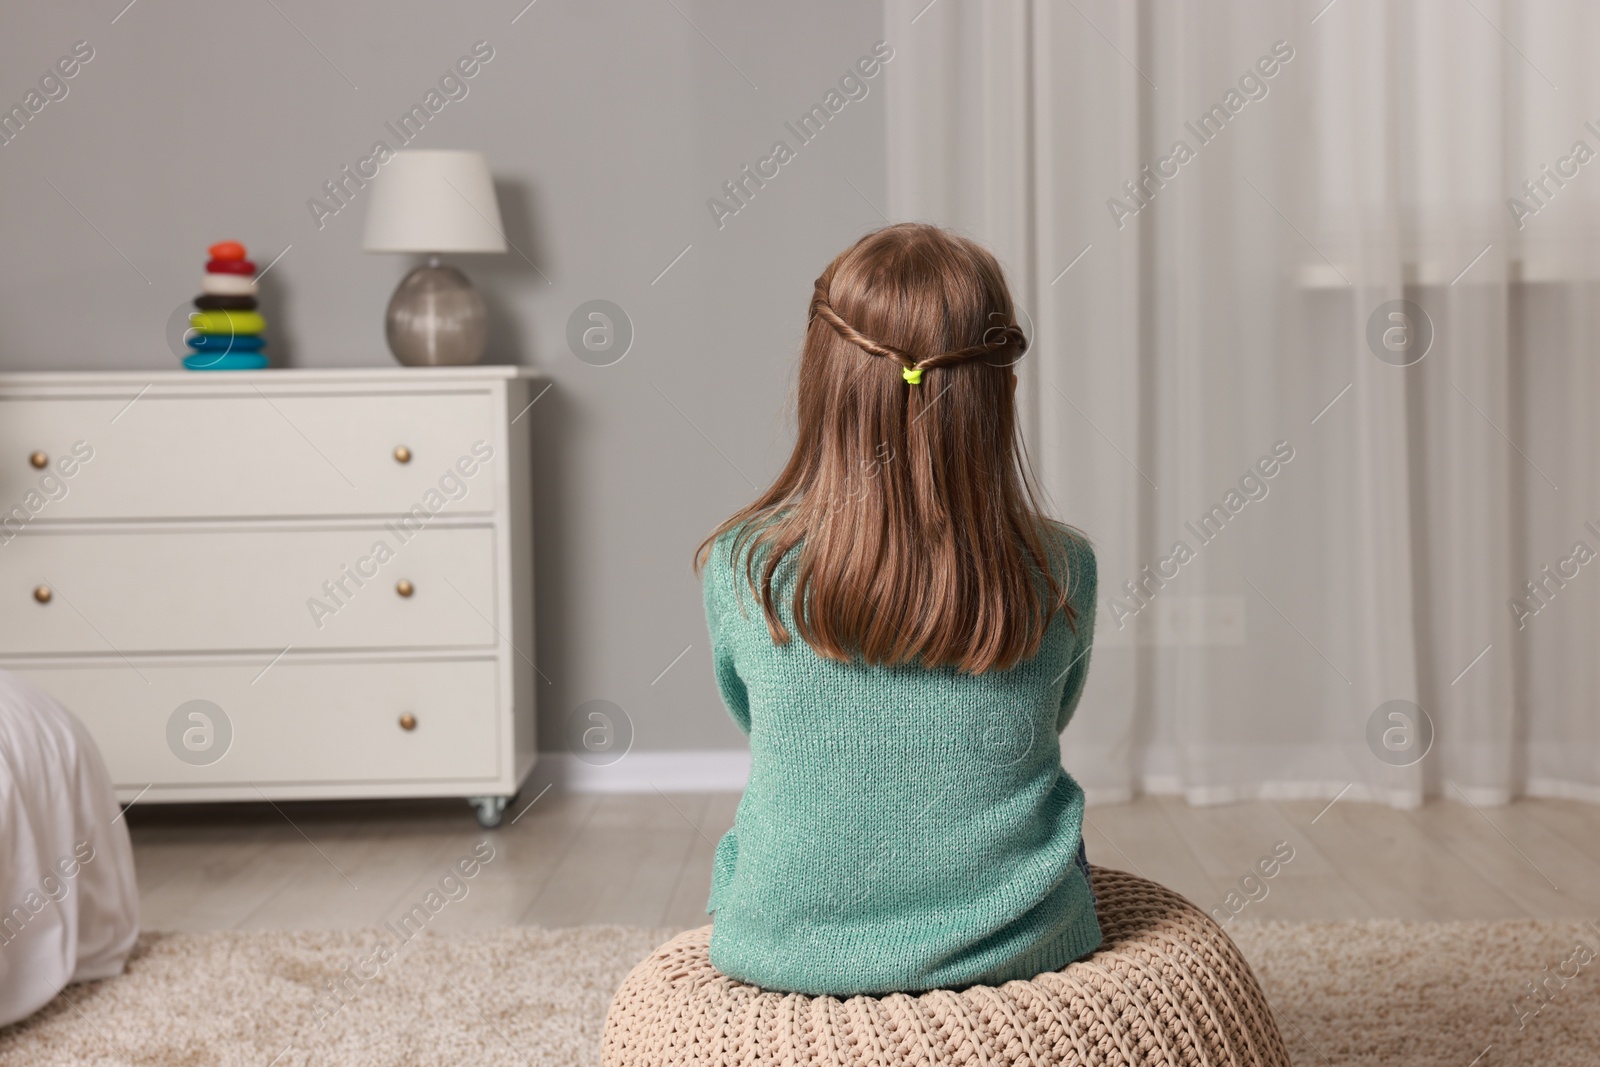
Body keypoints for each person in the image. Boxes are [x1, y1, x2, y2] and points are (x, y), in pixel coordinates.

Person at [695, 223, 1099, 996]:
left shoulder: (740, 566)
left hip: (780, 945)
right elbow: (1053, 715)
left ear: (817, 379)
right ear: (1003, 385)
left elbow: (757, 717)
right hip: (1012, 947)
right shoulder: (1063, 568)